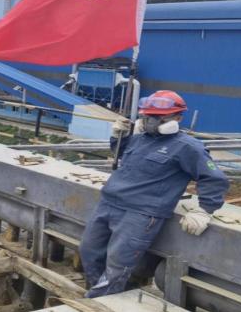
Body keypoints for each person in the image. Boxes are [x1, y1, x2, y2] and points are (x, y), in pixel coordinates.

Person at [79, 90, 229, 298]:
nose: (150, 121)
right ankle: (104, 295)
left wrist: (204, 209)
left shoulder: (187, 147)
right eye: (147, 116)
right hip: (109, 203)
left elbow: (214, 178)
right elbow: (122, 155)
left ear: (177, 118)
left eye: (158, 117)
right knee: (89, 251)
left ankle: (97, 303)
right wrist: (118, 137)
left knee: (117, 265)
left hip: (140, 214)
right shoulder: (140, 139)